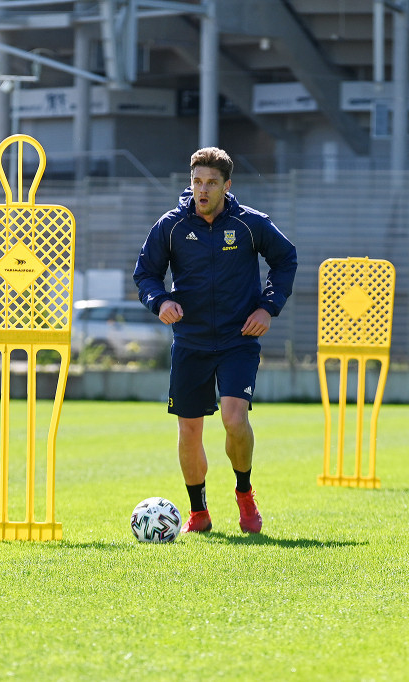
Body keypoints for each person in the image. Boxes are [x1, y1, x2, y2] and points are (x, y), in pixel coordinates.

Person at [133, 147, 298, 534]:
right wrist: (160, 301)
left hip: (237, 339)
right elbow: (145, 275)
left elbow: (286, 259)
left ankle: (244, 494)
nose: (202, 190)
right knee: (189, 429)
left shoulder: (250, 224)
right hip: (190, 340)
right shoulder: (170, 226)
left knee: (233, 418)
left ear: (227, 185)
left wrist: (267, 307)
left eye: (210, 183)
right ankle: (198, 512)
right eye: (196, 182)